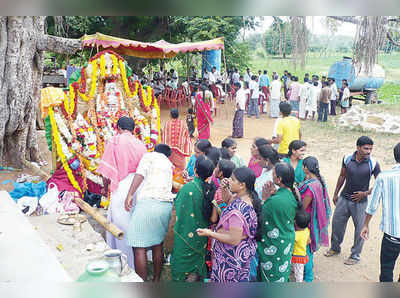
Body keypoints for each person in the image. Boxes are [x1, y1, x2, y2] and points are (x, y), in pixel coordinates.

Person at [97, 116, 147, 269]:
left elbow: (106, 171)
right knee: (136, 228)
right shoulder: (141, 144)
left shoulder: (114, 141)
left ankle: (122, 264)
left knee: (120, 229)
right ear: (133, 129)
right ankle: (136, 265)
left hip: (122, 188)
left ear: (118, 128)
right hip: (139, 188)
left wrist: (105, 188)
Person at [197, 167, 261, 282]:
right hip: (238, 255)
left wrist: (210, 233)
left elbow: (233, 239)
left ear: (242, 185)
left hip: (231, 259)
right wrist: (224, 188)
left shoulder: (238, 211)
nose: (229, 180)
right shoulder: (245, 198)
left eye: (232, 179)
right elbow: (228, 200)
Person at [325, 136, 381, 265]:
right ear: (358, 147)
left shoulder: (373, 163)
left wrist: (365, 193)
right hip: (344, 198)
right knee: (337, 225)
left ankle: (355, 255)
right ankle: (335, 248)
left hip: (361, 203)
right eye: (366, 148)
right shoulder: (347, 158)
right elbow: (342, 175)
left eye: (371, 149)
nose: (368, 151)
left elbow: (379, 183)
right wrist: (335, 194)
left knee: (360, 229)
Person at [124, 144, 174, 281]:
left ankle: (142, 284)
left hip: (149, 203)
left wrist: (130, 194)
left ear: (155, 151)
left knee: (138, 245)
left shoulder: (149, 156)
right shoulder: (169, 164)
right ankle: (156, 280)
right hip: (165, 205)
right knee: (157, 243)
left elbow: (140, 174)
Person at [171, 156, 216, 281]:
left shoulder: (188, 188)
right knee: (197, 268)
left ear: (195, 170)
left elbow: (179, 208)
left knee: (181, 268)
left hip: (185, 235)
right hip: (201, 237)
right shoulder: (211, 189)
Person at [360, 143, 400, 282]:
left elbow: (372, 205)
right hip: (392, 234)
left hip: (392, 235)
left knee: (387, 269)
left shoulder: (384, 177)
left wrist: (365, 225)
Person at [258, 162, 303, 282]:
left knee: (272, 274)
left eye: (273, 174)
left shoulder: (273, 202)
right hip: (285, 241)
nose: (271, 177)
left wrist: (264, 199)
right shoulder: (293, 193)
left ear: (279, 179)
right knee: (282, 271)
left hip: (274, 243)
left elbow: (260, 219)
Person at [298, 156, 331, 282]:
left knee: (306, 249)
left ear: (306, 168)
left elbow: (303, 206)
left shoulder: (311, 186)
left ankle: (308, 277)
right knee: (308, 248)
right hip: (314, 219)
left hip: (307, 220)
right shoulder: (318, 179)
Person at [291, 209, 311, 282]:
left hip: (297, 256)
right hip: (302, 254)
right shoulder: (307, 230)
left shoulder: (296, 235)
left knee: (299, 273)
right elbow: (309, 241)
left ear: (295, 222)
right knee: (299, 270)